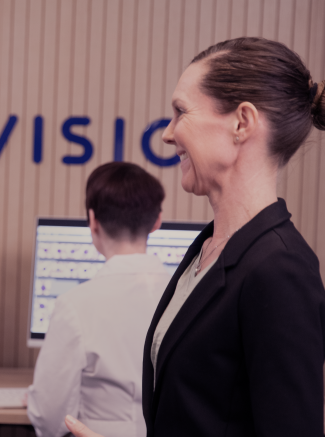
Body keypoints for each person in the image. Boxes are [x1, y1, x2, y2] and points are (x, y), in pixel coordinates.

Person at [66, 37, 325, 437]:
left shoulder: (281, 269)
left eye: (180, 112)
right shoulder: (208, 249)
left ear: (242, 123)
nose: (167, 134)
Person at [27, 162, 171, 437]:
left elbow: (48, 417)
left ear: (93, 221)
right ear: (157, 221)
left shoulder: (75, 306)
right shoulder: (190, 299)